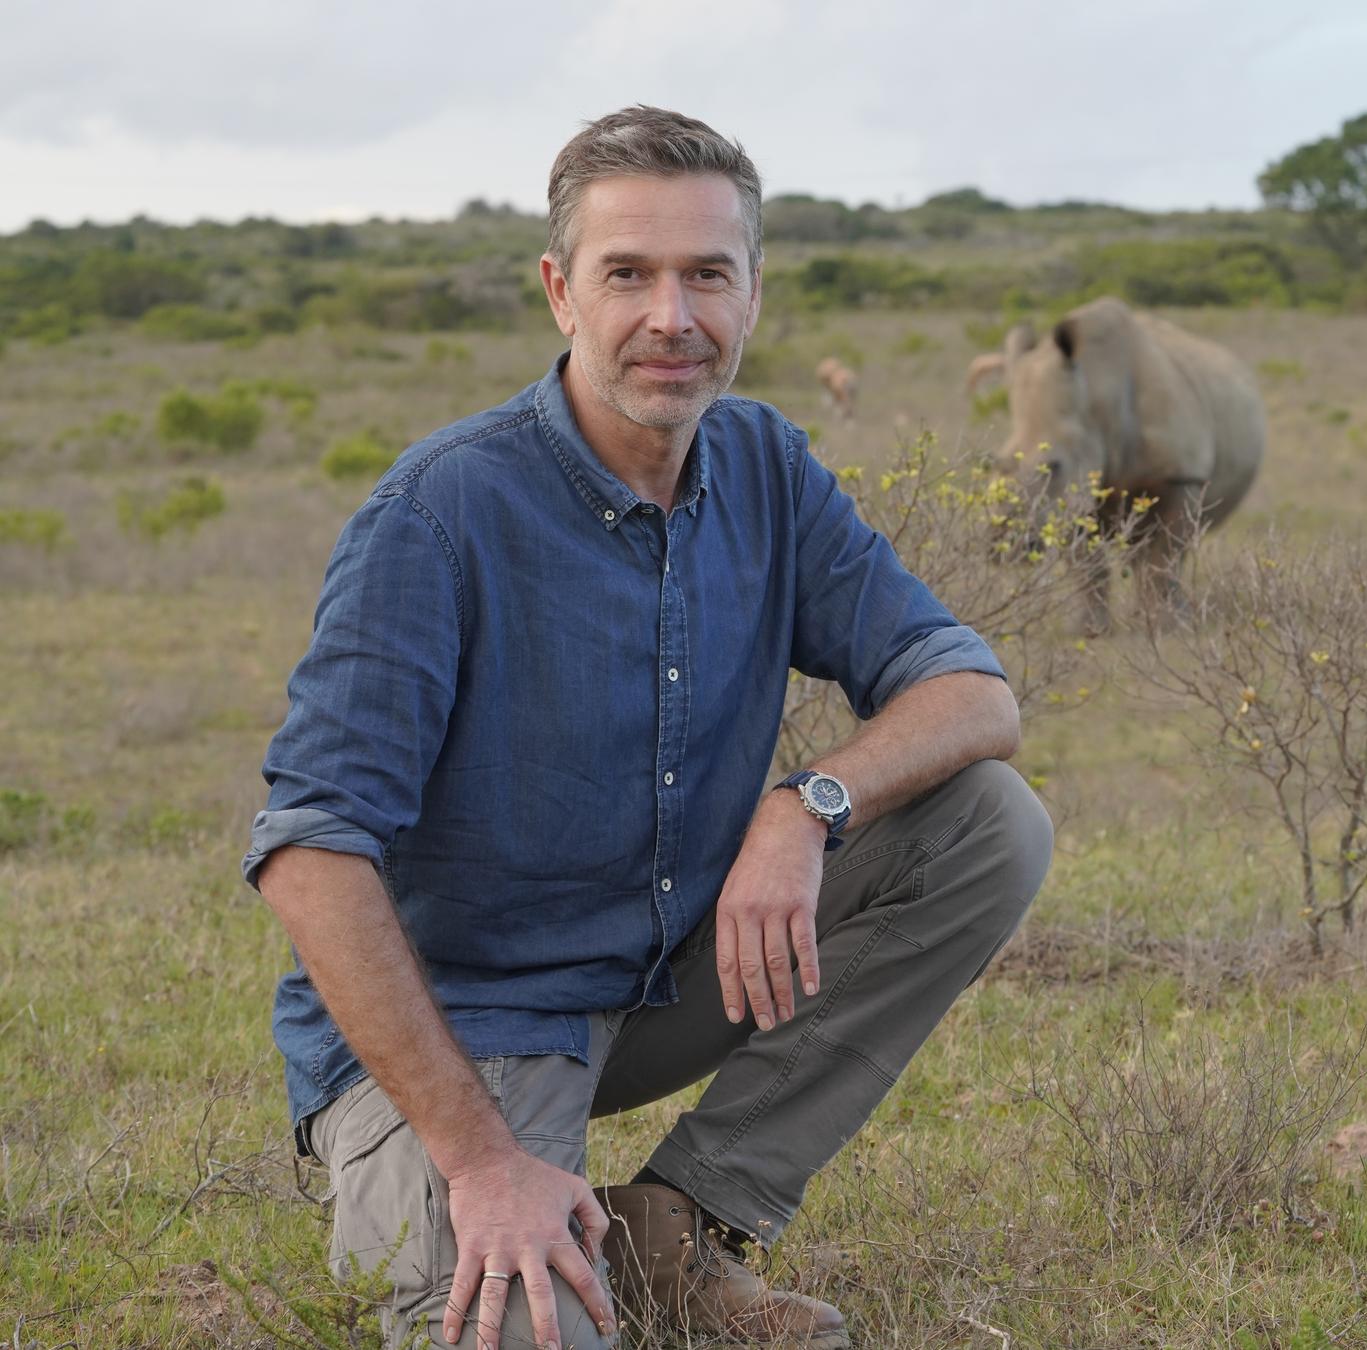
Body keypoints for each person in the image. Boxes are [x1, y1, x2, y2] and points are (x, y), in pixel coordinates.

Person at [245, 105, 1051, 1350]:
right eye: (628, 274)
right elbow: (310, 853)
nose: (672, 317)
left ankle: (679, 1223)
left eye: (706, 275)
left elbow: (974, 692)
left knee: (986, 822)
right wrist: (483, 1161)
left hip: (667, 974)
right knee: (533, 1333)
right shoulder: (440, 514)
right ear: (561, 292)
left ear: (753, 294)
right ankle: (473, 1184)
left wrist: (804, 807)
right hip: (472, 1024)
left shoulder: (767, 466)